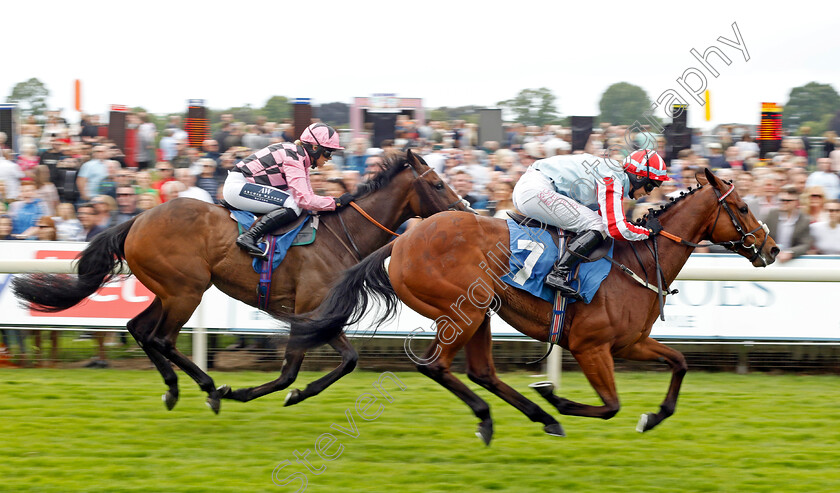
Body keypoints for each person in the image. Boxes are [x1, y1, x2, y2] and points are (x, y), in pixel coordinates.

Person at [512, 149, 667, 297]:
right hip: (535, 190)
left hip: (533, 188)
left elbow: (606, 217)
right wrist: (647, 232)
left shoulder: (612, 174)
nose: (649, 192)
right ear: (638, 177)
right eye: (650, 185)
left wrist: (635, 228)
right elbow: (614, 228)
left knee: (596, 223)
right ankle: (558, 274)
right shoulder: (613, 178)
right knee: (598, 226)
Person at [222, 123, 352, 259]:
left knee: (296, 203)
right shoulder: (293, 157)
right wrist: (336, 202)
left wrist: (332, 204)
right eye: (327, 152)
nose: (329, 158)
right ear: (315, 148)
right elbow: (304, 200)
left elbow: (310, 197)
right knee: (294, 204)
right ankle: (249, 237)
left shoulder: (300, 159)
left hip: (245, 186)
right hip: (238, 187)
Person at [764, 185, 811, 263]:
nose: (784, 203)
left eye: (788, 200)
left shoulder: (804, 220)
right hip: (771, 257)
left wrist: (790, 253)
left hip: (793, 261)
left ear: (796, 202)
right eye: (782, 200)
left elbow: (805, 244)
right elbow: (761, 236)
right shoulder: (771, 215)